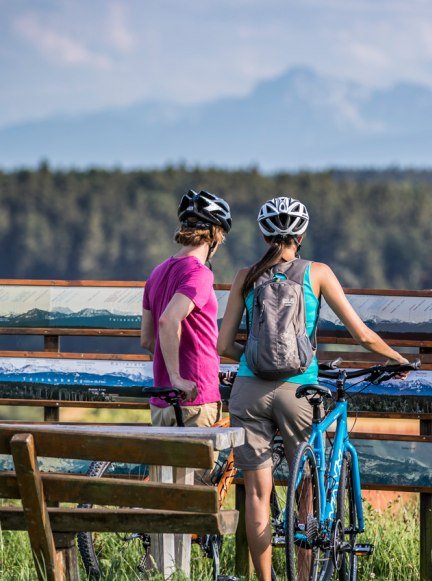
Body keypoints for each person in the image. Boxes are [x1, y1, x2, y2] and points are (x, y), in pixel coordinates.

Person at [217, 195, 409, 580]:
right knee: (305, 485)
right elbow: (362, 334)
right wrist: (399, 360)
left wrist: (250, 358)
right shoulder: (317, 273)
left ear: (263, 234)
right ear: (300, 236)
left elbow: (223, 345)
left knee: (257, 492)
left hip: (249, 390)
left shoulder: (245, 276)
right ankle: (303, 575)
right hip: (299, 391)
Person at [140, 189, 231, 428]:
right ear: (214, 236)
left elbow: (148, 340)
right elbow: (168, 321)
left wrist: (169, 375)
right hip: (195, 400)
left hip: (162, 401)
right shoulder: (199, 274)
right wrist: (177, 377)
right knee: (196, 467)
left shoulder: (157, 273)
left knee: (164, 466)